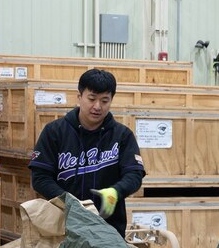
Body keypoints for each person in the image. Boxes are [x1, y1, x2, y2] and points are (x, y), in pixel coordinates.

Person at [29, 68, 145, 233]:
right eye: (92, 99)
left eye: (104, 101)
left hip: (109, 230)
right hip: (62, 226)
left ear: (112, 100)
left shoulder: (122, 135)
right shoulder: (54, 132)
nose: (97, 106)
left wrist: (116, 191)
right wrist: (68, 202)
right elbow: (40, 178)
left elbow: (134, 175)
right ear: (79, 97)